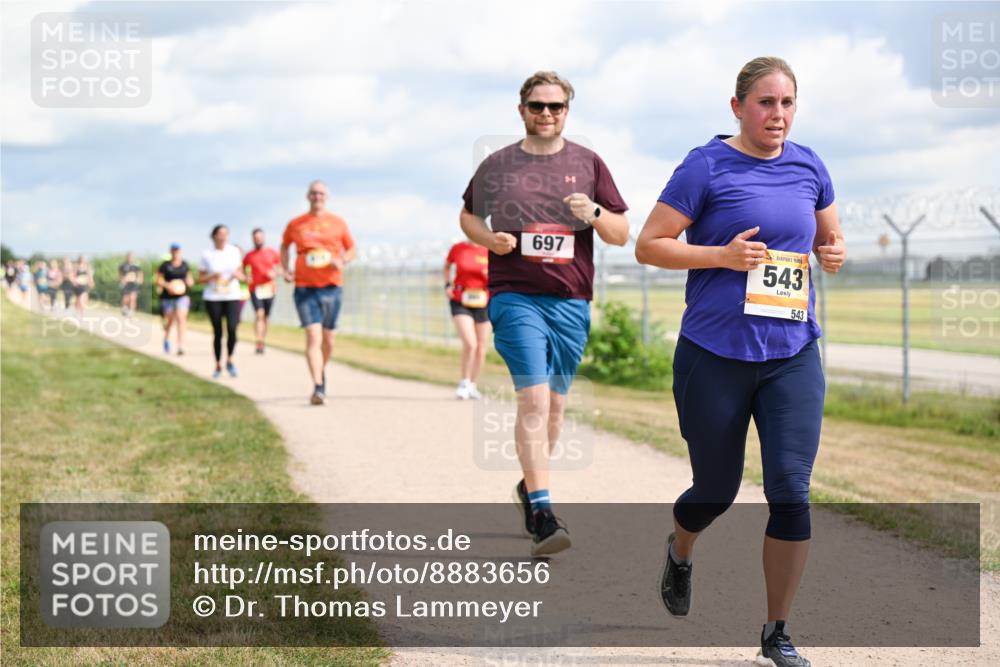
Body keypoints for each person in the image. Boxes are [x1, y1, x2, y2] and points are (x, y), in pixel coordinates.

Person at [634, 56, 846, 667]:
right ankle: (680, 548)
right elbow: (651, 245)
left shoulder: (811, 165)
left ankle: (776, 632)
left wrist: (834, 254)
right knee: (717, 489)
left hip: (792, 353)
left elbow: (829, 238)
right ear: (737, 107)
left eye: (786, 104)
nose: (777, 115)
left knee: (790, 489)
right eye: (764, 103)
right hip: (715, 355)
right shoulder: (704, 165)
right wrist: (720, 257)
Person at [460, 71, 629, 556]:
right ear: (522, 110)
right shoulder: (498, 165)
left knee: (554, 407)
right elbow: (468, 214)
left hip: (571, 301)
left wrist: (594, 214)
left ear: (567, 111)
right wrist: (489, 239)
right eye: (538, 106)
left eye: (556, 107)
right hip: (515, 295)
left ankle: (527, 488)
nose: (547, 114)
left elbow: (620, 233)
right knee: (533, 402)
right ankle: (542, 512)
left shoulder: (588, 163)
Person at [281, 180, 356, 405]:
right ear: (307, 196)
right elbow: (285, 246)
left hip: (332, 286)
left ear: (327, 197)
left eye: (321, 193)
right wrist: (286, 269)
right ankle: (318, 386)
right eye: (313, 193)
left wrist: (341, 260)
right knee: (313, 336)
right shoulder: (296, 224)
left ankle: (320, 370)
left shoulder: (338, 223)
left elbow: (351, 248)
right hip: (304, 287)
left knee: (328, 339)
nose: (317, 197)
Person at [444, 239, 490, 399]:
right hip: (460, 300)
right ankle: (463, 382)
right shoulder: (458, 248)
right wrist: (447, 284)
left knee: (481, 347)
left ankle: (472, 384)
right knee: (471, 343)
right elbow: (447, 266)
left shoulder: (489, 248)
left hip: (484, 301)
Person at [199, 225, 246, 378]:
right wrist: (212, 277)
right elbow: (200, 278)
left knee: (232, 329)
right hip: (214, 297)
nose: (223, 236)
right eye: (220, 234)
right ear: (214, 236)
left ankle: (230, 360)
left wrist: (238, 275)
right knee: (218, 332)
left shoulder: (234, 251)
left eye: (226, 233)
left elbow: (240, 272)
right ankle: (218, 365)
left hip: (232, 295)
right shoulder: (207, 254)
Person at [242, 228, 282, 354]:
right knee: (259, 314)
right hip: (255, 288)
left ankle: (263, 340)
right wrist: (246, 277)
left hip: (269, 288)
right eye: (255, 238)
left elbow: (281, 268)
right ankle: (258, 341)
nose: (258, 239)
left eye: (260, 237)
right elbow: (243, 270)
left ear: (264, 238)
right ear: (253, 239)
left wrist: (275, 273)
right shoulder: (248, 256)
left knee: (266, 317)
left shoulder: (272, 253)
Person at [156, 243, 193, 355]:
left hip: (182, 296)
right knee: (170, 321)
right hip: (168, 297)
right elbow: (158, 280)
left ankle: (180, 346)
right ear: (171, 252)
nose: (176, 252)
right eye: (174, 250)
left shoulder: (185, 265)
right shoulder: (165, 265)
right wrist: (169, 286)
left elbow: (190, 280)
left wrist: (187, 283)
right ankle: (166, 339)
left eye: (177, 250)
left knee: (181, 320)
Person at [119, 252, 143, 317]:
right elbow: (120, 274)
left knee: (133, 297)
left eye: (132, 257)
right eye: (129, 257)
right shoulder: (123, 265)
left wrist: (140, 280)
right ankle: (125, 307)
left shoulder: (136, 266)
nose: (130, 258)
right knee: (126, 298)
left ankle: (132, 311)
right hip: (126, 284)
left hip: (134, 284)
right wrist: (122, 280)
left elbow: (140, 273)